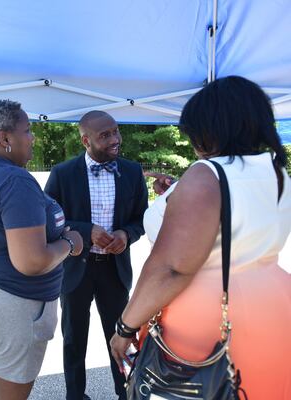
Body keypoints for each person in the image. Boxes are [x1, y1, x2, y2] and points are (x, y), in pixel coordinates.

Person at [110, 76, 291, 399]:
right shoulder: (276, 172)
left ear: (212, 128)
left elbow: (171, 269)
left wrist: (125, 326)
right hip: (274, 308)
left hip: (206, 318)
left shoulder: (207, 175)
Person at [0, 99, 84, 400]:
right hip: (14, 304)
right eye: (27, 130)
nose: (33, 137)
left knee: (3, 385)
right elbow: (32, 261)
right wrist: (70, 243)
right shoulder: (15, 180)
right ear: (5, 138)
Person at [44, 110, 148, 400]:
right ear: (85, 141)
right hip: (75, 269)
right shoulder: (63, 173)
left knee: (122, 338)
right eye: (105, 135)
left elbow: (141, 218)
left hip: (114, 270)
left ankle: (126, 393)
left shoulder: (132, 171)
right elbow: (48, 219)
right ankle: (75, 396)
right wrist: (85, 230)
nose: (115, 139)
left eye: (116, 131)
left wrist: (126, 234)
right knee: (74, 340)